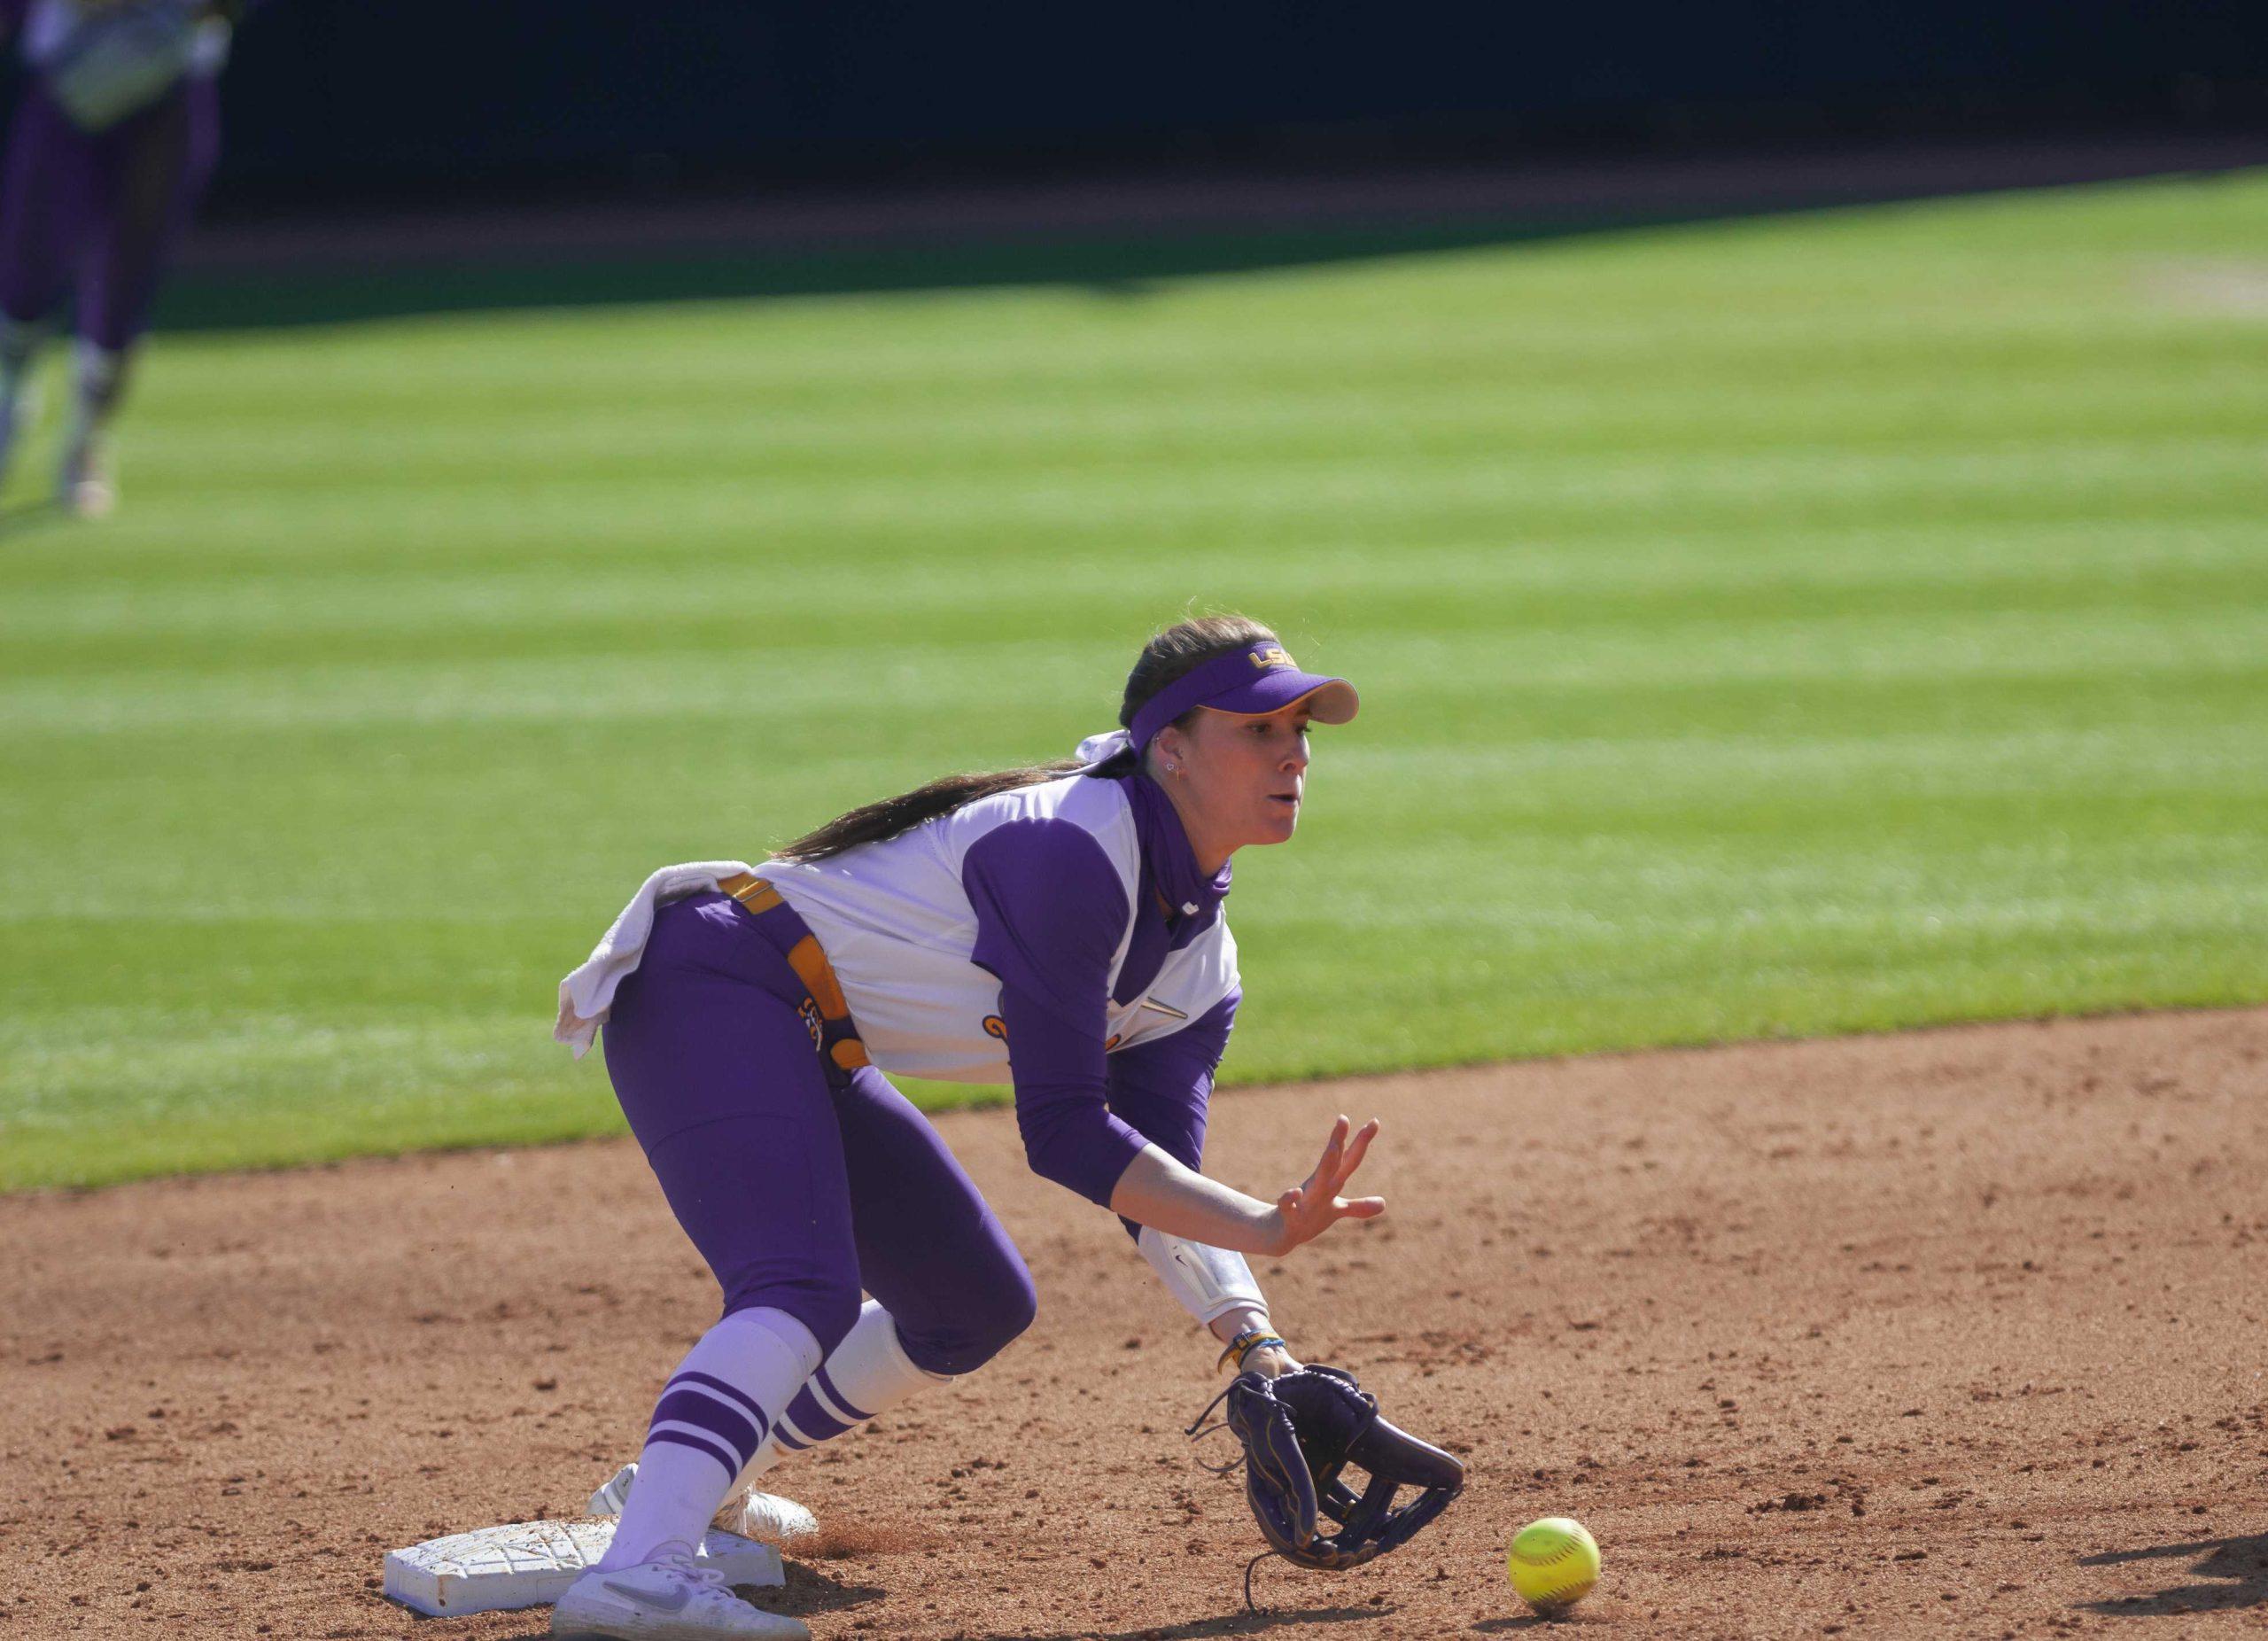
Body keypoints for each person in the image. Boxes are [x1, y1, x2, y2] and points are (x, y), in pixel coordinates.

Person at [547, 615, 1385, 1640]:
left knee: (969, 1301)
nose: (1294, 752)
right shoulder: (1071, 849)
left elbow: (1155, 1180)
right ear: (1168, 744)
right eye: (1258, 729)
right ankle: (640, 1570)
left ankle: (690, 1482)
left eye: (1302, 729)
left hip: (808, 1035)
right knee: (798, 1285)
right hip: (712, 978)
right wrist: (1260, 1224)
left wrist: (1260, 1345)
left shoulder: (1197, 965)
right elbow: (1067, 1135)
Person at [0, 0, 243, 516]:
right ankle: (9, 404)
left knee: (126, 282)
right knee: (26, 273)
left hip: (169, 85)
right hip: (67, 81)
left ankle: (86, 444)